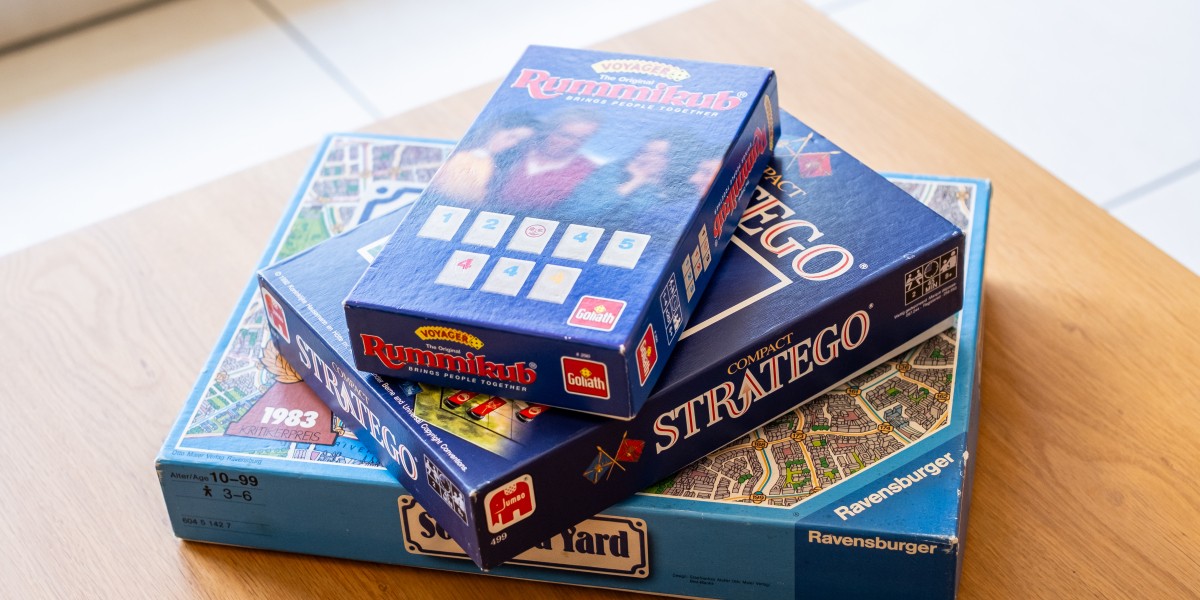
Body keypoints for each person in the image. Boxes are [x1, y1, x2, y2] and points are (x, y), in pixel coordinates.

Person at [493, 109, 601, 208]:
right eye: (565, 135)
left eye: (581, 139)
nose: (571, 144)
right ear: (548, 130)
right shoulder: (513, 149)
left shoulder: (588, 171)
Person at [427, 112, 537, 203]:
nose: (512, 144)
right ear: (495, 130)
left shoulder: (502, 169)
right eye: (511, 136)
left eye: (520, 142)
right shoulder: (460, 151)